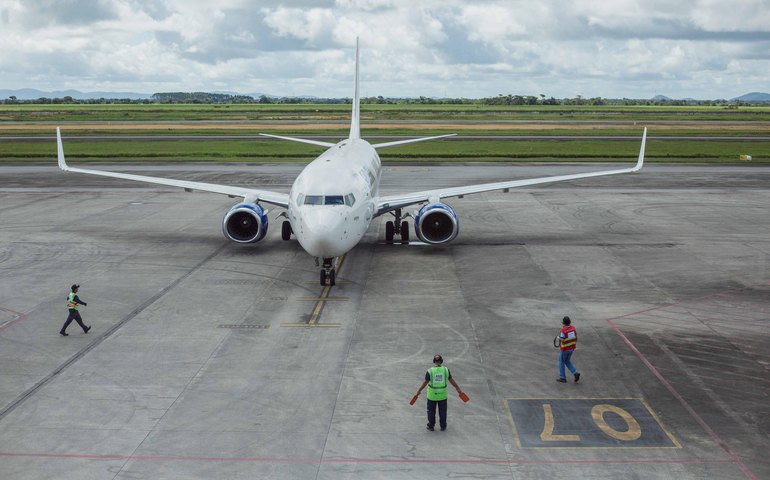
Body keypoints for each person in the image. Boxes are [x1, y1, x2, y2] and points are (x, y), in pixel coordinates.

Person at [414, 354, 464, 431]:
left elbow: (425, 382)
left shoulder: (430, 371)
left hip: (432, 396)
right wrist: (457, 388)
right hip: (442, 395)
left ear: (434, 361)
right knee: (443, 412)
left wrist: (419, 390)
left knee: (431, 412)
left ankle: (431, 426)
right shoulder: (446, 370)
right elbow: (451, 380)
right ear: (441, 361)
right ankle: (443, 426)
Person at [557, 316, 580, 383]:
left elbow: (562, 339)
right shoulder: (573, 328)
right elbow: (575, 337)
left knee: (561, 362)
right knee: (567, 361)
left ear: (564, 323)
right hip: (571, 348)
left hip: (565, 349)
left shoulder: (563, 330)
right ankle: (575, 373)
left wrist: (558, 337)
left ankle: (563, 377)